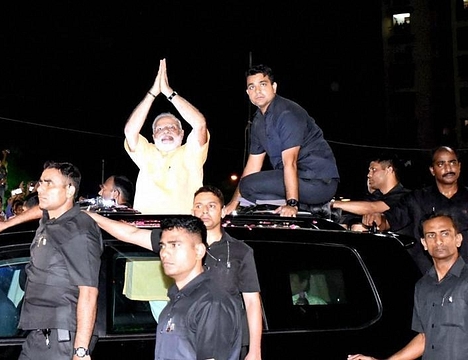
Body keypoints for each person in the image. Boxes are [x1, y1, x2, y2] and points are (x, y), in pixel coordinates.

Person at [84, 185, 263, 360]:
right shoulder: (175, 241)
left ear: (223, 211)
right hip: (187, 331)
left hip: (225, 337)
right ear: (192, 210)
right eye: (199, 206)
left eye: (211, 206)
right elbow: (131, 233)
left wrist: (255, 351)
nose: (204, 211)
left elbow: (252, 302)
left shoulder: (240, 251)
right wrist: (93, 217)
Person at [0, 161, 102, 360]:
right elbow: (40, 210)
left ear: (70, 189)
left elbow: (89, 292)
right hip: (40, 334)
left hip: (62, 338)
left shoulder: (79, 230)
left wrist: (80, 351)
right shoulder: (53, 217)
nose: (41, 189)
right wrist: (6, 224)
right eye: (40, 183)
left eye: (49, 184)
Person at [348, 213, 468, 360]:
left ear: (458, 239)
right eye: (431, 235)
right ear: (424, 243)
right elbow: (424, 338)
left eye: (445, 233)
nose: (438, 241)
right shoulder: (422, 286)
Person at [225, 64, 339, 218]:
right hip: (296, 180)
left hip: (317, 182)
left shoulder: (287, 113)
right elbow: (252, 165)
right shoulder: (258, 122)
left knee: (248, 186)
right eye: (252, 87)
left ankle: (310, 207)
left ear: (274, 87)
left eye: (263, 84)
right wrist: (233, 203)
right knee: (247, 188)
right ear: (247, 92)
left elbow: (290, 162)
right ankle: (309, 208)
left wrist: (292, 204)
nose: (257, 91)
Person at [363, 146, 468, 273]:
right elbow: (391, 219)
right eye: (441, 164)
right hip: (429, 277)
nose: (448, 168)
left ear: (459, 166)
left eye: (452, 162)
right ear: (432, 170)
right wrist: (378, 219)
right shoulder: (417, 199)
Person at [124, 58, 209, 214]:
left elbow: (200, 124)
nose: (166, 131)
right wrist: (152, 93)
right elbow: (130, 131)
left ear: (182, 134)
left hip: (184, 226)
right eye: (160, 129)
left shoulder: (190, 152)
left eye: (172, 127)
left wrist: (169, 92)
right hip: (146, 227)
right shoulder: (147, 153)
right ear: (153, 136)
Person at [155, 216, 242, 359]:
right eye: (162, 246)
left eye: (174, 245)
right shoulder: (176, 297)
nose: (164, 253)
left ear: (199, 251)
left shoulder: (212, 303)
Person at [332, 154, 410, 230]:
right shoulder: (376, 197)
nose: (369, 175)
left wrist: (332, 204)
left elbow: (372, 208)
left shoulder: (404, 197)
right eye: (369, 170)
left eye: (373, 170)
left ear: (389, 170)